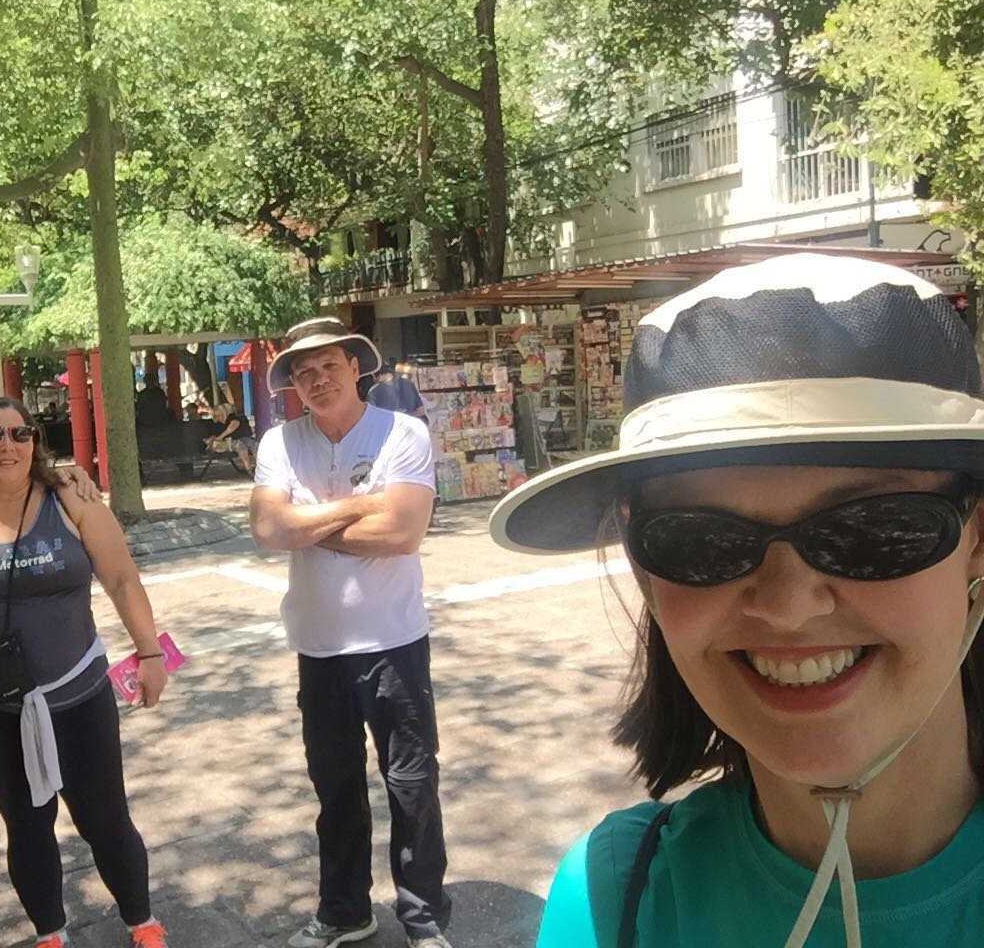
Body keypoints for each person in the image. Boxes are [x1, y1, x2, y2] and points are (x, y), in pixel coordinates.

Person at [488, 253, 984, 948]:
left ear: (977, 540)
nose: (788, 606)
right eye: (700, 540)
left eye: (873, 529)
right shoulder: (611, 900)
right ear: (645, 569)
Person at [0, 398, 171, 948]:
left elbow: (122, 579)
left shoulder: (70, 498)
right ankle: (51, 935)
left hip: (77, 693)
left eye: (21, 434)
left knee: (104, 817)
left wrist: (150, 654)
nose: (7, 445)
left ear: (36, 441)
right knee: (26, 821)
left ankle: (142, 923)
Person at [250, 316, 453, 948]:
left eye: (329, 365)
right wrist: (364, 504)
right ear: (292, 385)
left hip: (395, 641)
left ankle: (423, 918)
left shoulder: (403, 432)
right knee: (334, 788)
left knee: (412, 785)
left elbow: (403, 533)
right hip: (319, 647)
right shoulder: (280, 443)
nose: (318, 379)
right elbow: (267, 531)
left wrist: (306, 523)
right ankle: (345, 912)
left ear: (355, 367)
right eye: (303, 372)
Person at [207, 402, 257, 474]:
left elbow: (233, 426)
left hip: (243, 438)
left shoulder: (232, 417)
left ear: (224, 413)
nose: (217, 418)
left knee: (252, 444)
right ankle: (249, 469)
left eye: (219, 415)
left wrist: (220, 436)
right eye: (215, 416)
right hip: (229, 442)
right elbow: (213, 436)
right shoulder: (215, 425)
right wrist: (214, 440)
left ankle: (260, 467)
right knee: (239, 445)